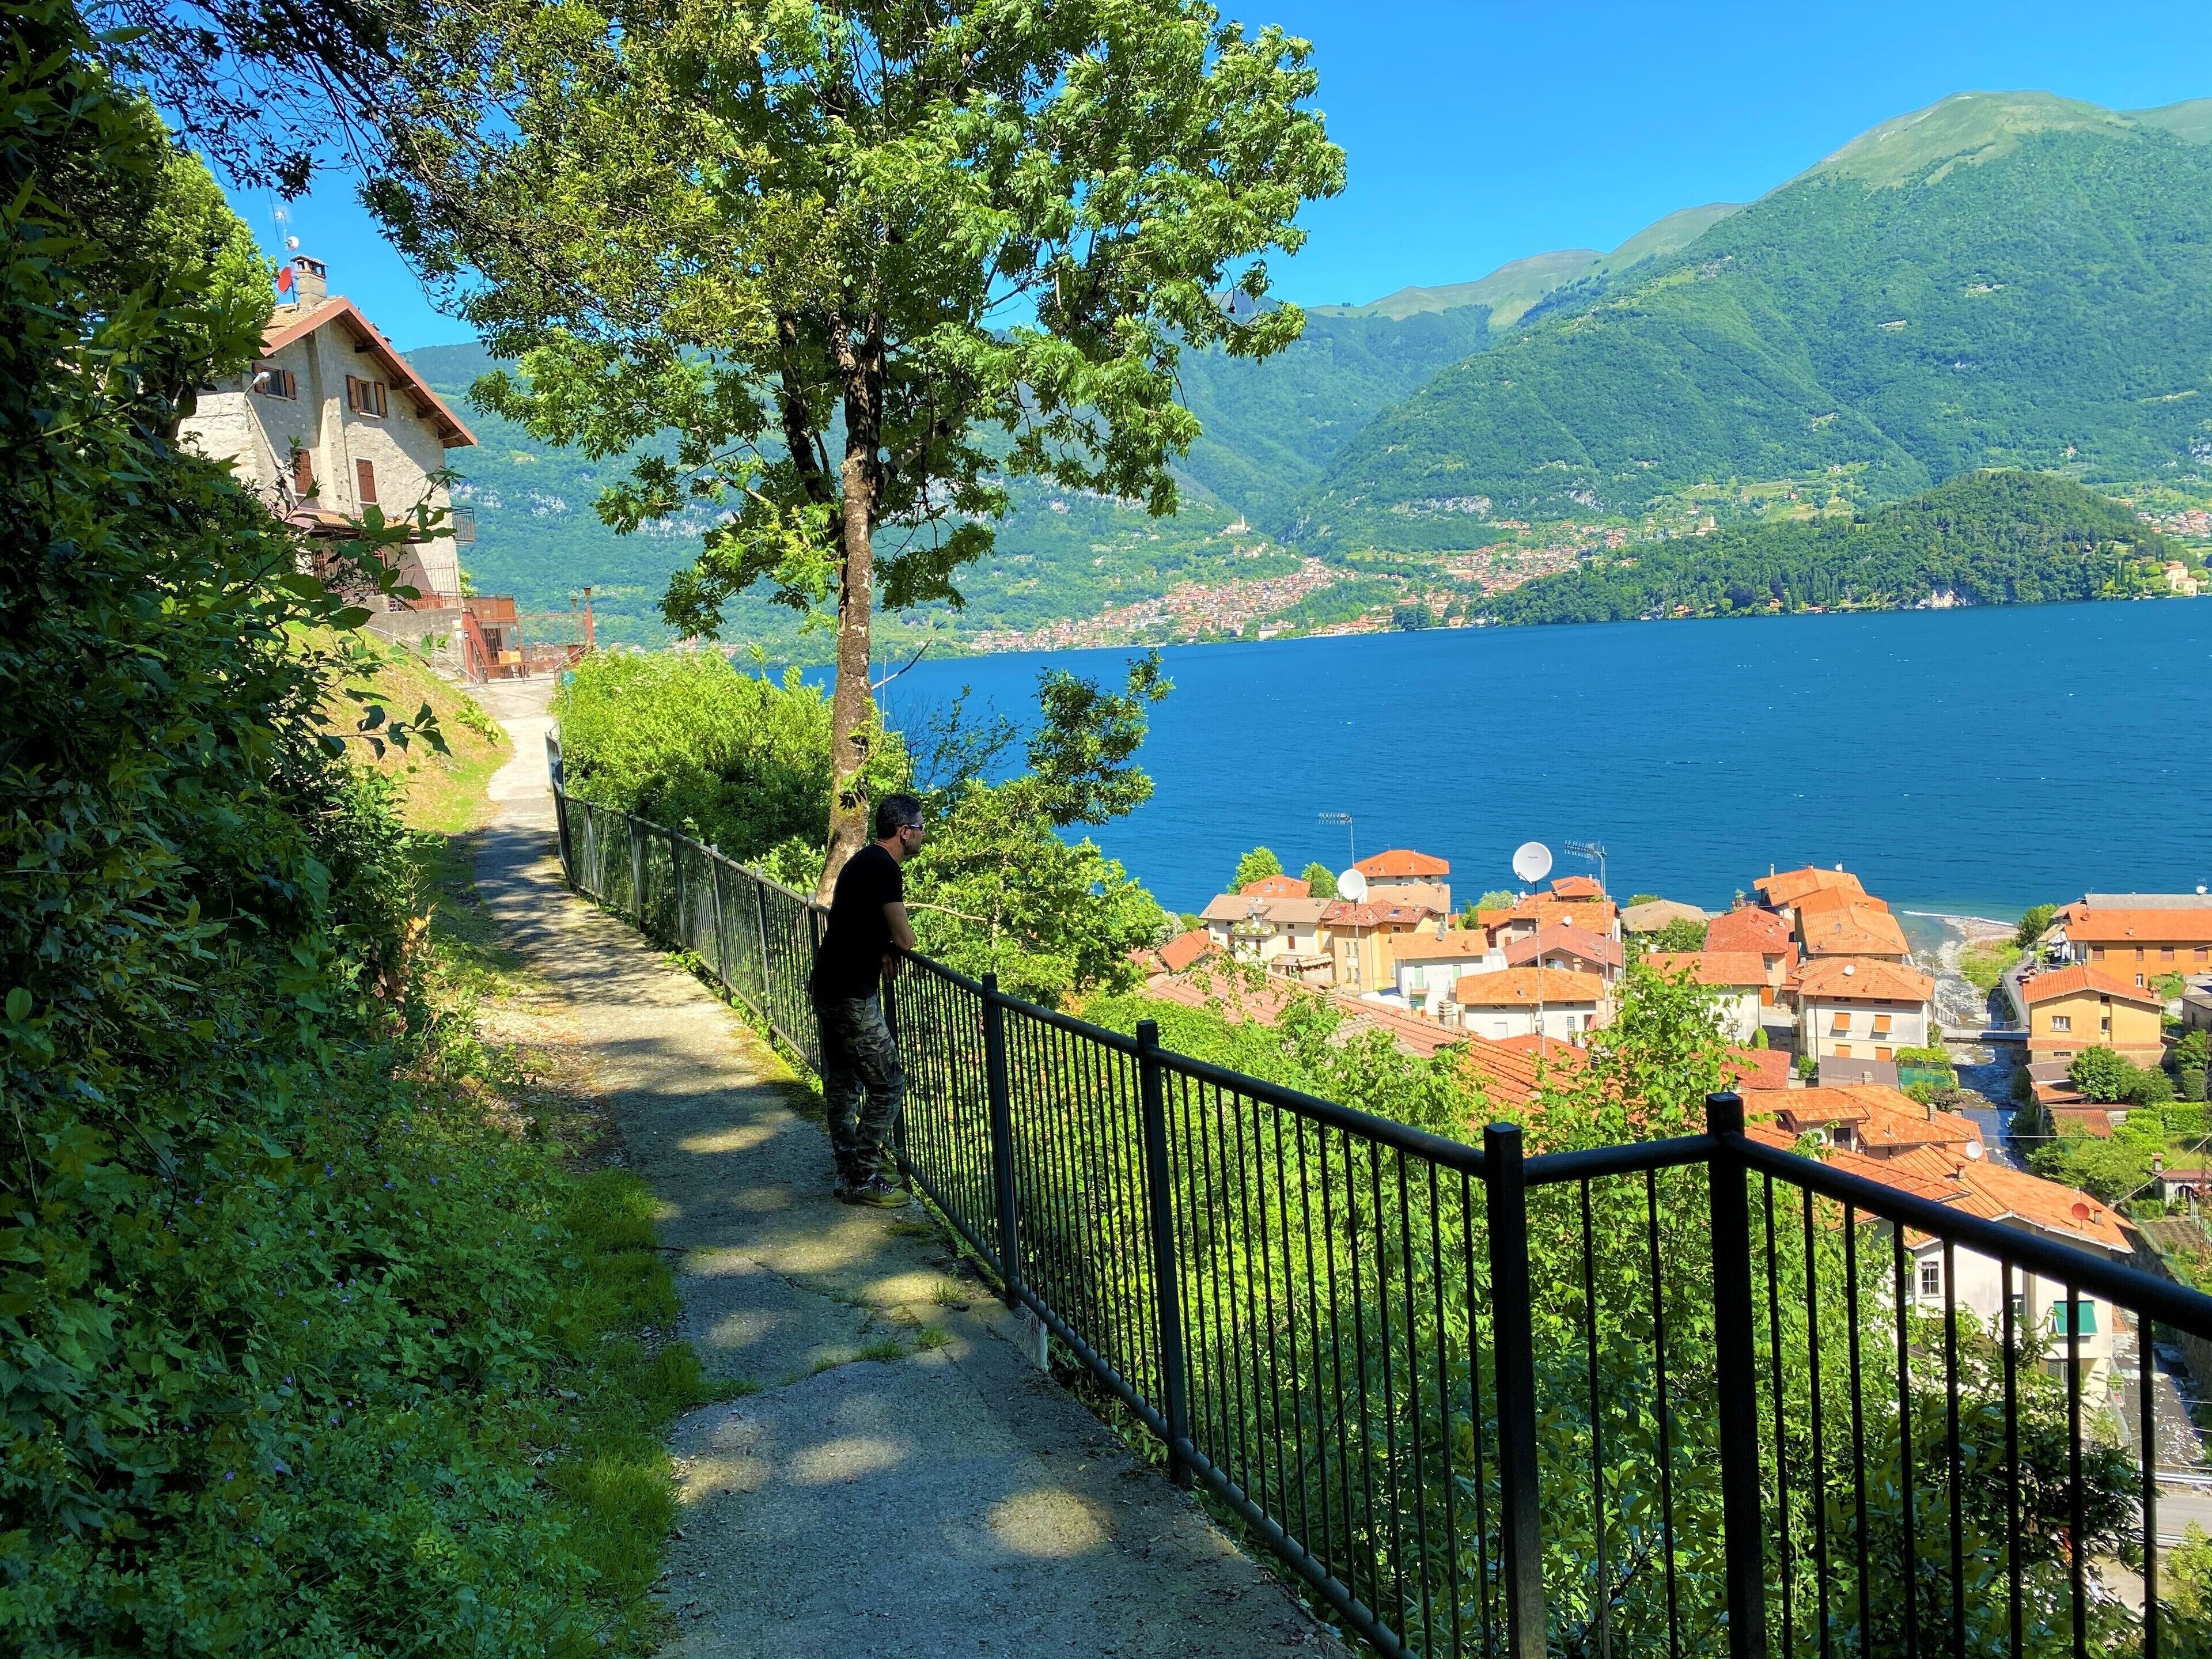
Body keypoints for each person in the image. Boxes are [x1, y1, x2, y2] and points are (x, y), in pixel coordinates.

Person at [809, 793, 926, 1205]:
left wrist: (880, 947)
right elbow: (905, 937)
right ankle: (861, 1176)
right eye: (921, 829)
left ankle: (849, 1163)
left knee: (843, 1083)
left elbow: (856, 920)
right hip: (851, 994)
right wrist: (895, 945)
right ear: (904, 831)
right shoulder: (886, 869)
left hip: (828, 984)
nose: (923, 836)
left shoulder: (861, 861)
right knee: (889, 1083)